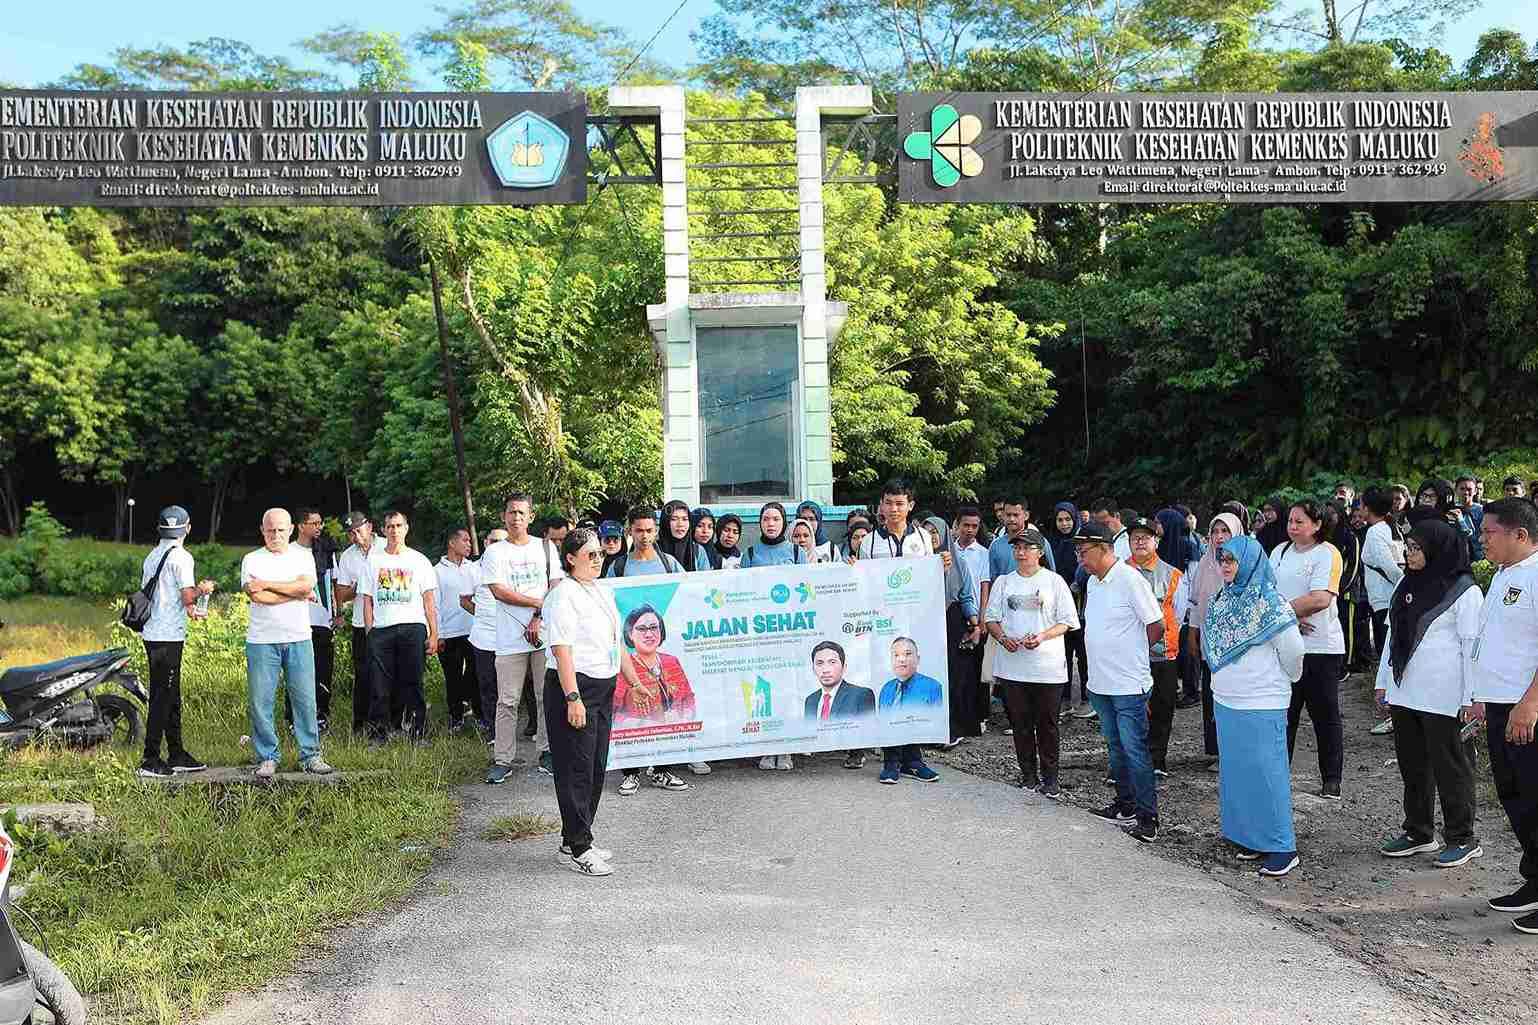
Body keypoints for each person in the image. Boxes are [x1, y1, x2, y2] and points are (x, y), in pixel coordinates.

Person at [1374, 519, 1483, 868]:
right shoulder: (1407, 584)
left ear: (1437, 548)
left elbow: (1472, 649)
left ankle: (1462, 838)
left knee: (1451, 767)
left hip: (1445, 696)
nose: (1409, 553)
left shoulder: (1465, 591)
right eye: (1407, 546)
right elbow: (1393, 637)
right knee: (1413, 767)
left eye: (1416, 547)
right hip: (1407, 693)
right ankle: (1419, 831)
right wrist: (1383, 682)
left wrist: (1472, 697)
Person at [1204, 535, 1306, 878]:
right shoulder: (1221, 598)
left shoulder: (1270, 602)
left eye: (1232, 560)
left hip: (1263, 700)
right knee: (1238, 773)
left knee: (1267, 773)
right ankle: (1250, 837)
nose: (1226, 566)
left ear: (1250, 561)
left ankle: (1281, 846)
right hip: (1227, 700)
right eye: (1223, 560)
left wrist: (1287, 680)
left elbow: (1293, 651)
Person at [543, 528, 642, 877]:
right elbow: (562, 649)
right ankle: (580, 848)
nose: (598, 559)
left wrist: (633, 680)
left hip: (602, 687)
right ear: (570, 559)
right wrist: (572, 698)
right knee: (576, 770)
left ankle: (574, 839)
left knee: (596, 766)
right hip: (574, 688)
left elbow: (617, 642)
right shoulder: (563, 595)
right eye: (590, 555)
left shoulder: (600, 590)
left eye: (600, 553)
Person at [1471, 498, 1538, 932]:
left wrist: (1530, 703)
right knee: (1516, 798)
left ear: (1520, 534)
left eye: (1489, 532)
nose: (1482, 539)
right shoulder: (1503, 575)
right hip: (1499, 705)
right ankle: (1534, 880)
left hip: (1526, 709)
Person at [1076, 520, 1163, 843]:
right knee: (1115, 748)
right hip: (1100, 683)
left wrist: (1134, 651)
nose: (1080, 559)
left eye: (1084, 552)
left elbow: (1155, 625)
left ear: (1105, 549)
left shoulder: (1129, 579)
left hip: (1128, 684)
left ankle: (1147, 816)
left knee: (1135, 749)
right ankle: (1125, 804)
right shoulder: (1093, 583)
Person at [858, 479, 942, 783]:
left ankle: (913, 758)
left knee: (913, 690)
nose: (893, 509)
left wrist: (940, 566)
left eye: (899, 503)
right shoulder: (868, 542)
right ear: (881, 505)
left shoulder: (923, 538)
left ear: (910, 505)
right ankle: (891, 758)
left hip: (915, 624)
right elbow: (862, 585)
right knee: (889, 690)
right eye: (888, 502)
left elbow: (930, 581)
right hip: (882, 628)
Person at [606, 507, 695, 792]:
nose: (643, 536)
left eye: (648, 530)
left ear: (656, 530)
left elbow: (688, 596)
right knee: (629, 708)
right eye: (638, 530)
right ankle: (630, 772)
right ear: (629, 531)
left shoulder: (669, 564)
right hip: (628, 656)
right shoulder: (618, 567)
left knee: (665, 706)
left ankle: (663, 770)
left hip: (660, 655)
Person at [986, 528, 1079, 797]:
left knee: (1047, 723)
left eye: (1027, 547)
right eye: (1017, 547)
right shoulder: (1004, 582)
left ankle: (1051, 777)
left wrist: (1042, 636)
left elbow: (1068, 621)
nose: (1021, 552)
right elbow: (991, 619)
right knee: (1020, 723)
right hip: (1013, 666)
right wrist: (1003, 638)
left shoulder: (1054, 582)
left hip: (1046, 667)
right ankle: (1028, 774)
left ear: (1040, 552)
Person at [242, 508, 331, 778]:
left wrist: (269, 584)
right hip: (261, 640)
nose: (276, 535)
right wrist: (294, 592)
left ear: (291, 529)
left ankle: (310, 755)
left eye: (281, 530)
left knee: (305, 699)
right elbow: (258, 597)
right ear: (262, 530)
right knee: (261, 701)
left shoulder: (303, 557)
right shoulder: (251, 559)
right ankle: (267, 756)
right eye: (270, 530)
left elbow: (306, 588)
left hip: (299, 637)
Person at [482, 494, 564, 782]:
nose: (516, 517)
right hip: (508, 640)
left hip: (544, 635)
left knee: (547, 697)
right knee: (507, 701)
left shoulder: (546, 549)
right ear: (504, 516)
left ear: (531, 516)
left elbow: (555, 586)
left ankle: (547, 752)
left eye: (521, 512)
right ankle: (503, 759)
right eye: (511, 512)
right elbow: (498, 590)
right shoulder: (495, 553)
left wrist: (538, 617)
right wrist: (535, 604)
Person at [1270, 500, 1346, 800]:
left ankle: (1331, 778)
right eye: (1291, 520)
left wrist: (1284, 614)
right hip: (1284, 644)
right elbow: (1267, 592)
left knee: (1324, 714)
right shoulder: (1279, 552)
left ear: (1317, 525)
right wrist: (1287, 619)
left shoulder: (1327, 554)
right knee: (1284, 712)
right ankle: (1278, 773)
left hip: (1320, 647)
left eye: (1300, 521)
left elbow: (1320, 598)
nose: (1292, 526)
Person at [136, 505, 215, 779]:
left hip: (155, 632)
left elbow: (166, 597)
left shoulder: (153, 555)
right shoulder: (182, 557)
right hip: (166, 636)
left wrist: (189, 606)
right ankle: (150, 758)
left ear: (161, 529)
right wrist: (202, 590)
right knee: (162, 695)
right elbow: (186, 597)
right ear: (187, 529)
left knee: (170, 693)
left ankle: (177, 753)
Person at [360, 511, 440, 741]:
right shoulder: (373, 561)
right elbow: (367, 600)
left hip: (412, 627)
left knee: (413, 681)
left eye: (398, 525)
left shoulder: (419, 560)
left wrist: (434, 634)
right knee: (379, 683)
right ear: (383, 531)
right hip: (382, 629)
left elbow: (429, 601)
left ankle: (418, 732)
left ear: (406, 528)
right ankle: (378, 733)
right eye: (390, 527)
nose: (394, 530)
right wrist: (370, 631)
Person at [1126, 516, 1186, 779]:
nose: (1140, 541)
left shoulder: (1173, 575)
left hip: (1162, 653)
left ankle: (1157, 759)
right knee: (1129, 708)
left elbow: (1180, 613)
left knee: (1162, 707)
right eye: (1135, 537)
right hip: (1126, 653)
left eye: (1146, 537)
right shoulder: (1117, 572)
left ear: (1157, 541)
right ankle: (1127, 761)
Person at [1190, 512, 1246, 767]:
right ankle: (1218, 751)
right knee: (1212, 696)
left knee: (1234, 696)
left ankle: (1236, 751)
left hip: (1236, 645)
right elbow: (1196, 603)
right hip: (1209, 643)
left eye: (1225, 531)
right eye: (1215, 531)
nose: (1220, 537)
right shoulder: (1204, 563)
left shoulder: (1247, 562)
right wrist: (1193, 634)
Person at [922, 516, 981, 743]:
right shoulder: (917, 561)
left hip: (952, 619)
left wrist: (975, 624)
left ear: (944, 534)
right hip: (925, 621)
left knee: (953, 675)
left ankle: (952, 729)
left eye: (935, 532)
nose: (932, 537)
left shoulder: (958, 560)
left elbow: (966, 595)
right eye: (926, 533)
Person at [333, 511, 383, 735]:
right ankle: (361, 725)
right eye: (350, 533)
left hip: (387, 620)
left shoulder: (386, 547)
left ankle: (390, 723)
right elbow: (341, 594)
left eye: (358, 530)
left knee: (388, 673)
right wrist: (358, 587)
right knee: (363, 675)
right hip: (361, 623)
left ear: (370, 527)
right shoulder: (347, 556)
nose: (355, 536)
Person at [289, 509, 338, 732]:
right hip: (297, 620)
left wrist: (337, 613)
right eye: (314, 523)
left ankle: (321, 716)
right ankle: (294, 719)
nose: (319, 527)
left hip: (323, 620)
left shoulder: (326, 550)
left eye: (321, 523)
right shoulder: (289, 552)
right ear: (300, 526)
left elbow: (335, 582)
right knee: (296, 671)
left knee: (323, 669)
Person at [616, 605, 698, 727]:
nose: (649, 634)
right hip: (640, 741)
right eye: (641, 629)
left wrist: (683, 718)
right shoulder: (623, 667)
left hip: (679, 737)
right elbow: (612, 714)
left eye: (654, 627)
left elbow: (689, 699)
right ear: (630, 634)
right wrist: (644, 724)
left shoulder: (672, 661)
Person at [435, 527, 481, 730]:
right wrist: (437, 633)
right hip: (449, 632)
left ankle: (479, 715)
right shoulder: (437, 571)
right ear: (452, 543)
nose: (469, 544)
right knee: (452, 677)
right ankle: (455, 718)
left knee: (476, 673)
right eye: (465, 540)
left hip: (474, 631)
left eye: (470, 541)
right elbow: (434, 604)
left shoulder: (474, 569)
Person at [464, 527, 508, 736]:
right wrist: (482, 614)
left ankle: (531, 726)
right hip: (483, 638)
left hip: (511, 637)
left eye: (503, 541)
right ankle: (492, 728)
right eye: (494, 541)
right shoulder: (473, 569)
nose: (498, 545)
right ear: (485, 543)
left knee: (516, 687)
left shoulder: (512, 565)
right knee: (488, 685)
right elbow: (464, 600)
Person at [1048, 502, 1090, 716]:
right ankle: (1063, 698)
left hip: (1081, 604)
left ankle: (1086, 698)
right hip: (1057, 607)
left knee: (1083, 653)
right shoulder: (1051, 543)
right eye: (1060, 520)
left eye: (1068, 519)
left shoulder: (1081, 543)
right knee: (1062, 653)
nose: (1064, 524)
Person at [954, 505, 993, 732]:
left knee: (977, 668)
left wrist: (982, 619)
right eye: (966, 525)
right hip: (956, 613)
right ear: (957, 524)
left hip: (976, 614)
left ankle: (980, 715)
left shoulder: (982, 553)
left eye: (974, 526)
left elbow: (984, 585)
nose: (970, 530)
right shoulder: (949, 551)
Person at [1325, 501, 1364, 678]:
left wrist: (1339, 587)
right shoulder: (1323, 537)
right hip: (1325, 592)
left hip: (1345, 592)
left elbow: (1353, 567)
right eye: (1327, 512)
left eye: (1333, 512)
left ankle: (1345, 665)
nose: (1329, 516)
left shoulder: (1349, 537)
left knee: (1346, 628)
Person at [804, 641, 877, 721]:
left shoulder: (861, 695)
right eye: (820, 663)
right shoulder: (810, 701)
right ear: (813, 669)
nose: (825, 670)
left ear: (844, 667)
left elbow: (868, 731)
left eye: (832, 662)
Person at [740, 502, 805, 567]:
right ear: (760, 523)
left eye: (776, 519)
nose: (771, 524)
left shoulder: (797, 551)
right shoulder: (750, 554)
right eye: (765, 519)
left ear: (784, 523)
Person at [658, 500, 713, 571]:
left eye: (685, 519)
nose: (680, 524)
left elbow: (705, 579)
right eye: (674, 519)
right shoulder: (654, 550)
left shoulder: (698, 551)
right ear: (665, 522)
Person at [1456, 475, 1485, 563]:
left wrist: (1461, 521)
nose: (1465, 492)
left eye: (1469, 489)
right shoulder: (1450, 510)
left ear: (1475, 491)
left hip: (1477, 558)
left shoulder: (1482, 511)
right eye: (1462, 489)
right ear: (1456, 490)